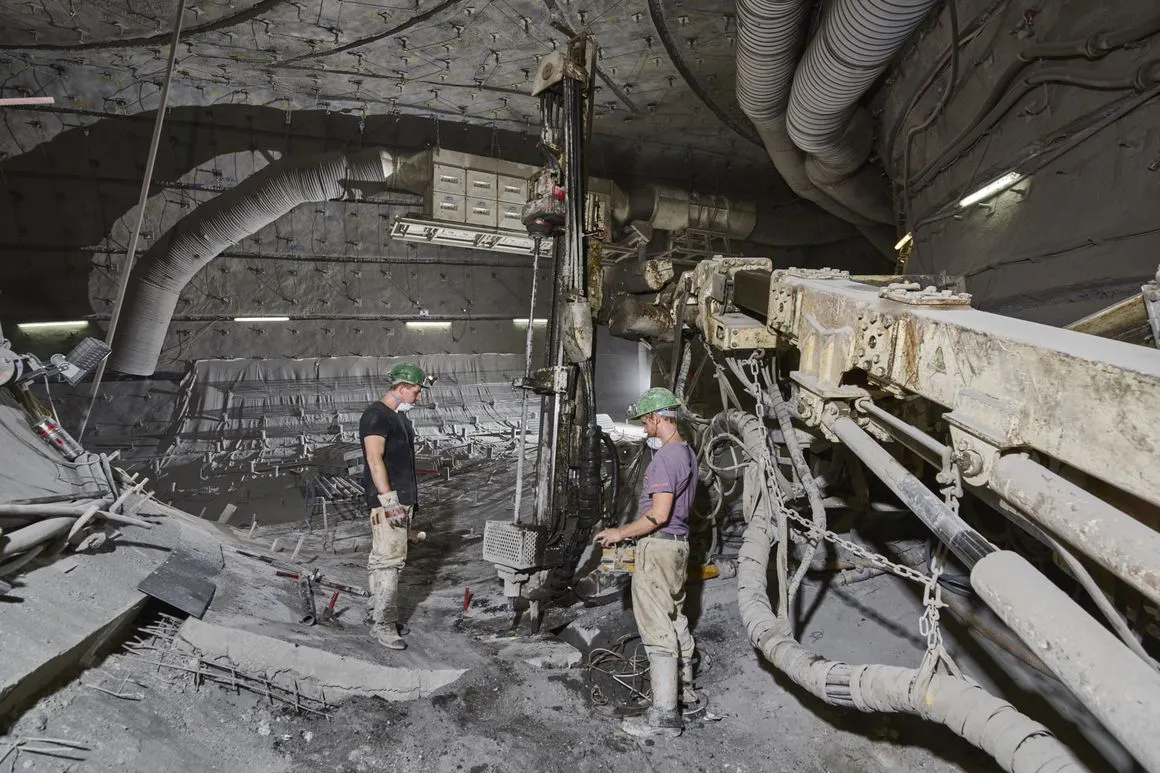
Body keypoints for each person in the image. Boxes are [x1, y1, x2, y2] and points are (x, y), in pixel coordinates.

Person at [594, 387, 699, 738]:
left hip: (658, 549)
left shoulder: (665, 458)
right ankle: (687, 693)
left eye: (645, 419)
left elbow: (658, 515)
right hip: (678, 548)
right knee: (675, 617)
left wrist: (619, 533)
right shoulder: (686, 452)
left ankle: (665, 716)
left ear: (658, 417)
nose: (643, 425)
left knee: (656, 628)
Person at [359, 362, 429, 651]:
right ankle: (384, 626)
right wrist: (390, 502)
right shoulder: (376, 416)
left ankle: (375, 611)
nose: (419, 397)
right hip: (390, 503)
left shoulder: (398, 417)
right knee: (390, 562)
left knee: (381, 559)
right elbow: (374, 460)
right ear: (400, 389)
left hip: (401, 501)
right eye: (416, 391)